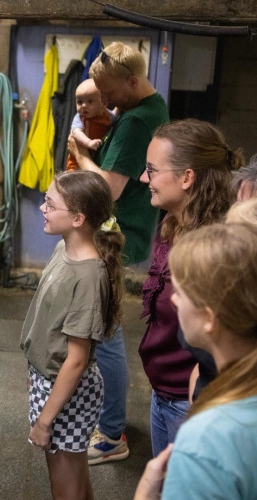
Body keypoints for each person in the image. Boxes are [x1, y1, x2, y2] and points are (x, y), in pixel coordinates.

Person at [67, 41, 169, 465]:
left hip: (116, 231)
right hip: (127, 229)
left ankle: (111, 435)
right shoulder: (150, 106)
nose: (104, 101)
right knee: (99, 329)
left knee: (104, 334)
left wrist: (76, 151)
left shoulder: (134, 123)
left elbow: (105, 191)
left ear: (132, 80)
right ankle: (104, 421)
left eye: (108, 93)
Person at [138, 119, 243, 457]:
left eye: (152, 170)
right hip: (162, 393)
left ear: (187, 177)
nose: (144, 179)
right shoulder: (171, 224)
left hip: (191, 401)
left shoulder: (217, 250)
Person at [20, 170, 125, 499]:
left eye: (50, 204)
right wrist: (36, 369)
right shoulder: (63, 250)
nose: (42, 208)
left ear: (78, 218)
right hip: (50, 380)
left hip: (66, 391)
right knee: (75, 479)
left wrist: (44, 422)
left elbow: (76, 361)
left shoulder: (88, 278)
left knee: (64, 487)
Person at [134, 223, 257, 500]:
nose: (174, 300)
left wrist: (144, 495)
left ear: (210, 318)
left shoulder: (206, 441)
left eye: (182, 292)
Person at [65, 79, 115, 171]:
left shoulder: (109, 115)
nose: (83, 106)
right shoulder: (80, 117)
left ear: (104, 103)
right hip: (77, 164)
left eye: (90, 101)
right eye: (79, 102)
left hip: (96, 161)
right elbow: (76, 133)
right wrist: (88, 142)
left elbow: (116, 119)